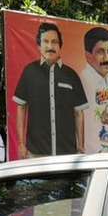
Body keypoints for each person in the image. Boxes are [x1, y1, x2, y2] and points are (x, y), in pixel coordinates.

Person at [13, 22, 88, 157]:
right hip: (35, 153)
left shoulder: (71, 75)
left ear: (60, 46)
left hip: (66, 155)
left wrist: (81, 146)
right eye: (45, 41)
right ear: (38, 46)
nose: (50, 46)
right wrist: (21, 144)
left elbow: (79, 114)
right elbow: (21, 108)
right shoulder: (29, 72)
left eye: (54, 42)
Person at [80, 26, 108, 153]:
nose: (106, 59)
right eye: (100, 52)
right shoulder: (85, 81)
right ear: (88, 56)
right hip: (92, 155)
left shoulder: (107, 80)